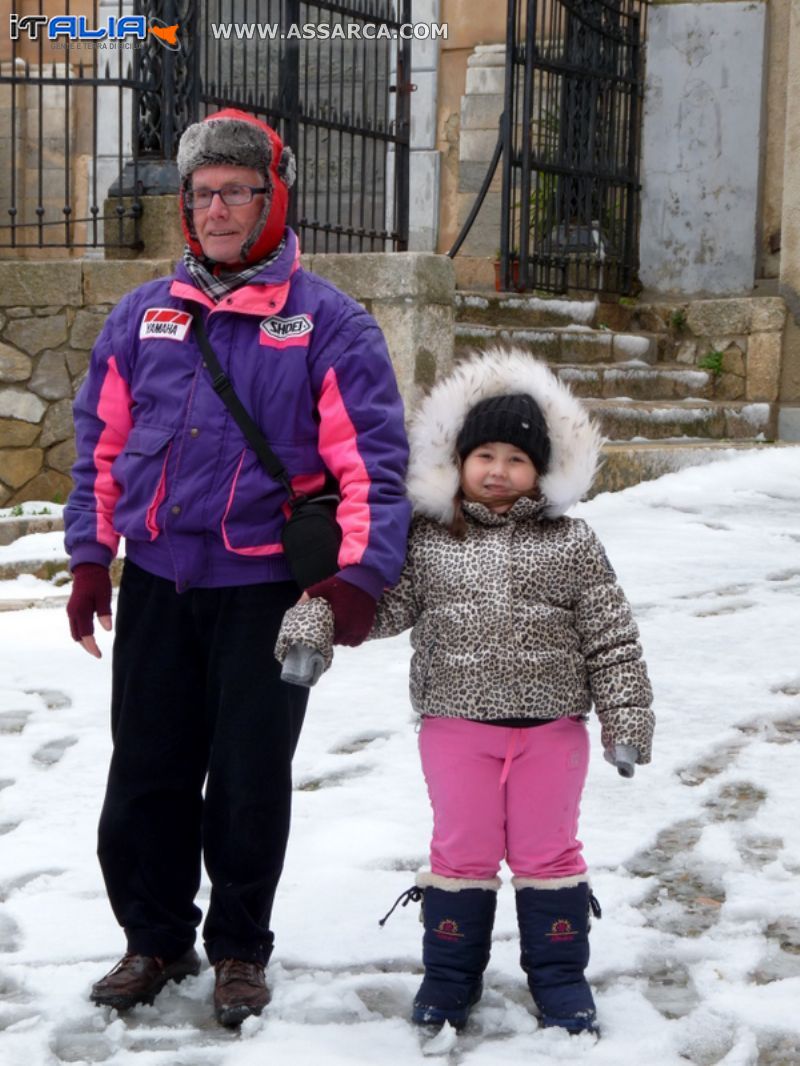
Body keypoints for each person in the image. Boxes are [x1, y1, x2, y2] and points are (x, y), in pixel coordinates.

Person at [63, 108, 411, 1027]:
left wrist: (358, 580)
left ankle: (238, 950)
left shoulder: (329, 323)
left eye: (236, 192)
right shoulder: (144, 315)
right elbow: (100, 442)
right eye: (203, 193)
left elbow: (370, 462)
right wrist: (92, 557)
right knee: (146, 772)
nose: (217, 210)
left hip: (265, 592)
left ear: (272, 197)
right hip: (159, 582)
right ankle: (154, 938)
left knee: (248, 778)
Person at [276, 347, 655, 1037]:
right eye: (486, 456)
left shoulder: (571, 544)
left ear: (541, 470)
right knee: (463, 853)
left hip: (552, 732)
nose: (499, 471)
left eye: (517, 459)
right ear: (460, 463)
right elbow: (380, 608)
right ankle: (450, 979)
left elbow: (612, 637)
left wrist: (625, 722)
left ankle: (560, 978)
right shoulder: (428, 541)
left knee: (549, 855)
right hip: (456, 729)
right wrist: (317, 619)